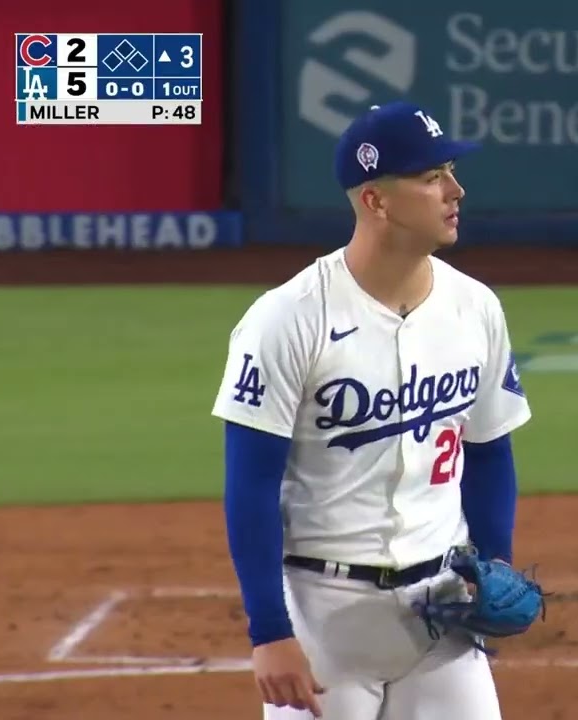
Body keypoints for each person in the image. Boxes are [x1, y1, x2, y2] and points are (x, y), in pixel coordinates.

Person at [211, 101, 536, 719]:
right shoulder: (287, 318)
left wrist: (494, 563)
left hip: (443, 611)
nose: (456, 191)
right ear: (375, 200)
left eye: (450, 172)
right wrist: (269, 632)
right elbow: (250, 486)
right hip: (324, 617)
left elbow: (490, 450)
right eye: (432, 176)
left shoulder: (475, 307)